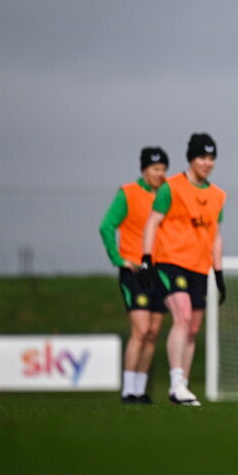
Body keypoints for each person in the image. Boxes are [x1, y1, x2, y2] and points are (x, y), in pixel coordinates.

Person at [138, 133, 227, 406]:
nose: (207, 163)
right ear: (191, 158)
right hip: (170, 261)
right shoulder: (171, 188)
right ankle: (176, 382)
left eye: (211, 158)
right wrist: (146, 259)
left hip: (199, 266)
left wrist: (219, 272)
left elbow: (216, 234)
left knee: (193, 327)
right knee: (183, 315)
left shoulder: (217, 195)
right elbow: (153, 222)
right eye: (202, 157)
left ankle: (182, 387)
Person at [99, 146, 169, 404]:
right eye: (155, 169)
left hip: (160, 271)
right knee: (140, 330)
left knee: (152, 332)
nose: (159, 174)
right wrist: (118, 258)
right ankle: (127, 389)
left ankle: (140, 390)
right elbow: (106, 225)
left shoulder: (167, 195)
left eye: (163, 169)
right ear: (144, 169)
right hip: (135, 271)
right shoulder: (128, 194)